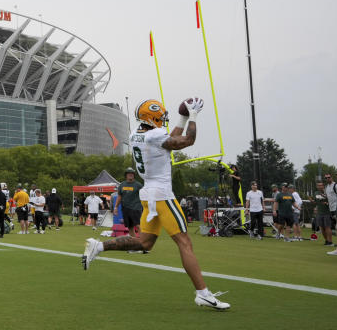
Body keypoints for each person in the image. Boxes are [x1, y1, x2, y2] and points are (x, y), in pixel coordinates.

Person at [82, 97, 230, 310]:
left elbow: (168, 140)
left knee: (144, 243)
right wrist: (193, 116)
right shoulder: (155, 135)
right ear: (151, 118)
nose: (163, 120)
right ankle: (203, 293)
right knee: (185, 243)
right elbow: (188, 140)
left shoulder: (137, 135)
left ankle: (99, 246)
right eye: (160, 117)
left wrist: (182, 116)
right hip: (162, 195)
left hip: (148, 193)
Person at [117, 168, 143, 237]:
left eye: (132, 174)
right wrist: (116, 207)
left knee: (138, 225)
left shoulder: (138, 185)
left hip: (136, 208)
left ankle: (143, 241)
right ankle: (134, 243)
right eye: (129, 173)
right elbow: (119, 196)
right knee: (130, 226)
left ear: (134, 175)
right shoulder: (122, 185)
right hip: (125, 208)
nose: (130, 175)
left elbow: (144, 195)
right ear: (126, 175)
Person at [312, 180, 333, 245]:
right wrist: (312, 201)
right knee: (321, 227)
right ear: (317, 186)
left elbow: (332, 201)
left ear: (323, 186)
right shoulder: (316, 193)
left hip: (327, 212)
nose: (320, 186)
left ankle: (330, 241)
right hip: (319, 213)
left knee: (327, 227)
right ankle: (326, 240)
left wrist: (326, 203)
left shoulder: (327, 192)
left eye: (321, 185)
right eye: (318, 185)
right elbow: (316, 202)